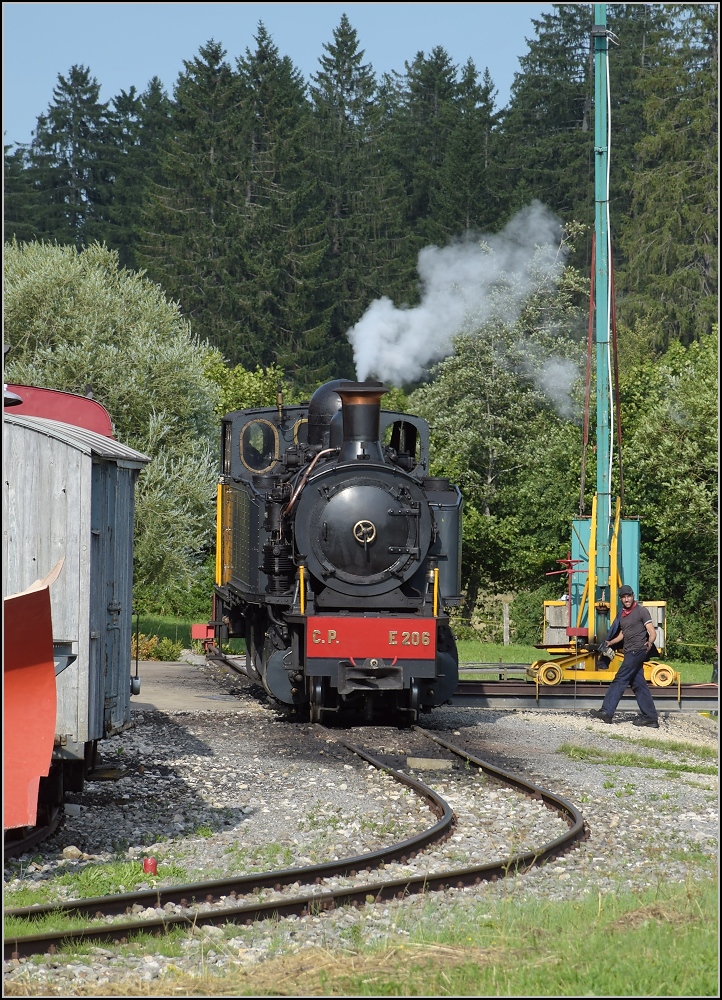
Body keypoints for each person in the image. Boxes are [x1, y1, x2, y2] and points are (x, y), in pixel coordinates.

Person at [589, 584, 659, 728]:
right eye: (624, 597)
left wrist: (650, 642)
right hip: (629, 652)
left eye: (629, 596)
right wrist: (610, 642)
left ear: (633, 596)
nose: (627, 599)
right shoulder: (622, 614)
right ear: (621, 599)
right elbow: (623, 633)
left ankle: (607, 712)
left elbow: (652, 632)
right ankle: (650, 718)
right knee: (638, 684)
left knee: (619, 680)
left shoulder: (642, 611)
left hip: (638, 651)